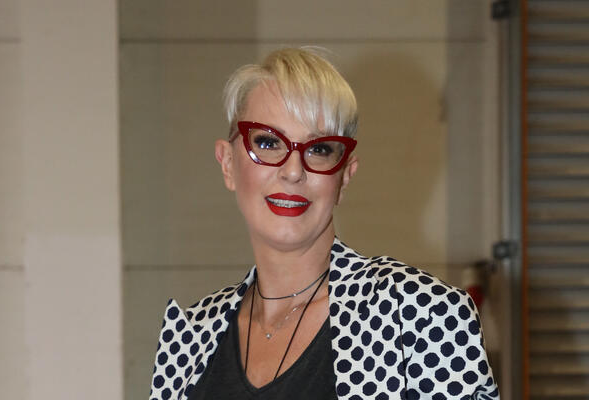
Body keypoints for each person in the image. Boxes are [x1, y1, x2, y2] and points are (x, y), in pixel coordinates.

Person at [149, 47, 500, 400]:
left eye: (319, 149)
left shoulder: (421, 315)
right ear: (227, 163)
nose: (293, 171)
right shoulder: (192, 338)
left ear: (344, 176)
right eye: (268, 142)